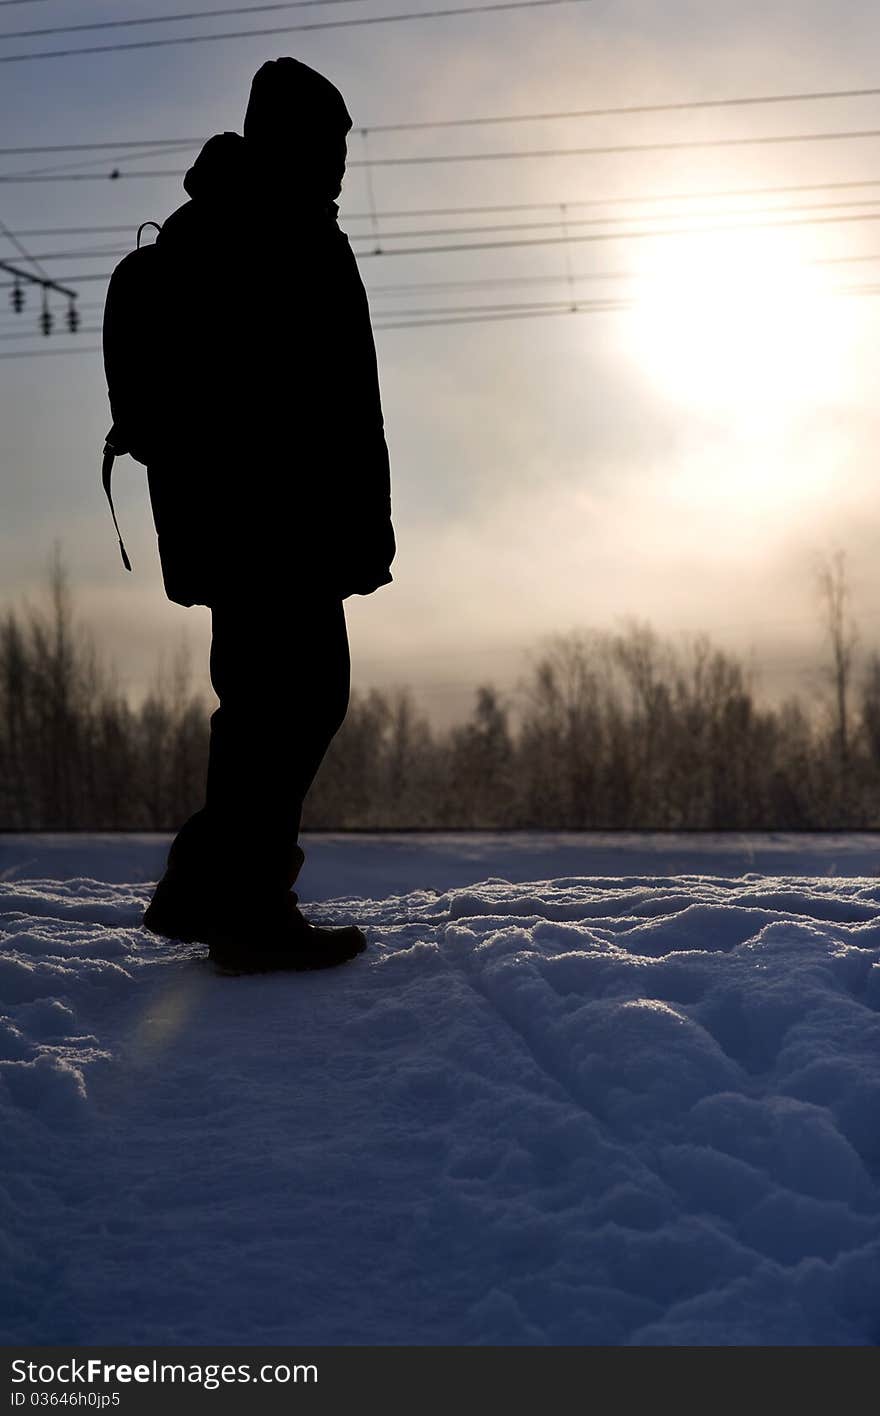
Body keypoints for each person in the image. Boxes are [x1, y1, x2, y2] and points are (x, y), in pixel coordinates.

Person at [132, 58, 395, 972]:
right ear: (293, 140)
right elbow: (301, 401)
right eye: (331, 144)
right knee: (296, 699)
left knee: (265, 707)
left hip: (248, 524)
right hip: (274, 526)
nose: (340, 164)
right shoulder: (273, 232)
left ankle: (215, 891)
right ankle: (243, 909)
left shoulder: (223, 225)